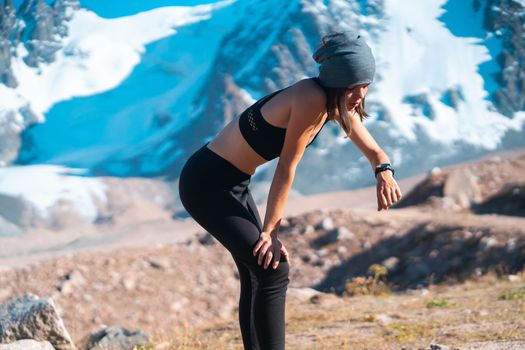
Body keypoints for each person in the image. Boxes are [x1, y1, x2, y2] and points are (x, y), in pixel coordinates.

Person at [178, 31, 403, 350]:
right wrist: (271, 231)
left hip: (231, 184)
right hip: (206, 184)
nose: (360, 95)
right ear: (338, 83)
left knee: (256, 272)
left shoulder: (334, 98)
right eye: (354, 87)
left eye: (365, 86)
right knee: (272, 270)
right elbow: (287, 167)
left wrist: (383, 170)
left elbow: (370, 146)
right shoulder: (311, 100)